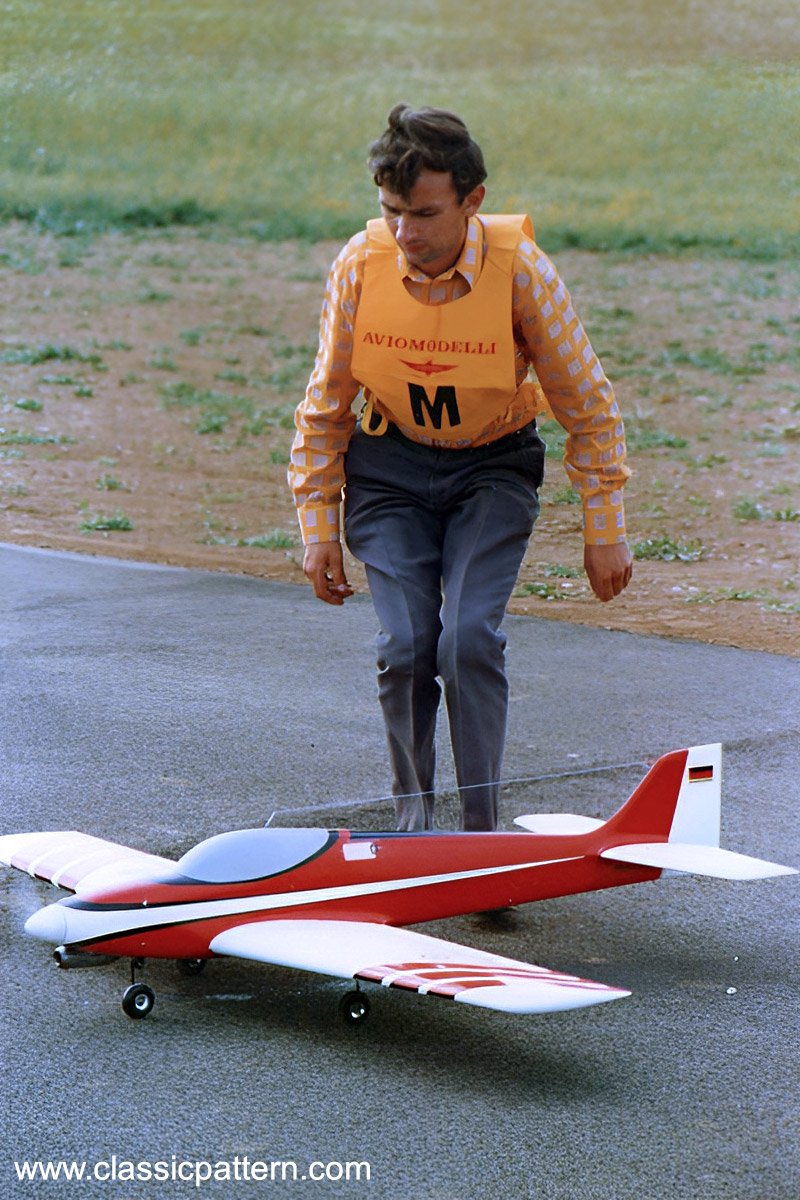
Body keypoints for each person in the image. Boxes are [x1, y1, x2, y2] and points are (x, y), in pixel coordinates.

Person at [288, 103, 632, 832]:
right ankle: (415, 833)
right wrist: (318, 525)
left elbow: (589, 407)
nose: (404, 232)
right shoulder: (362, 263)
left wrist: (606, 529)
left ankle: (480, 840)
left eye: (422, 213)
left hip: (491, 475)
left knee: (467, 640)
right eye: (390, 212)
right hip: (388, 476)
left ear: (473, 202)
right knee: (407, 646)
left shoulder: (522, 275)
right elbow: (324, 407)